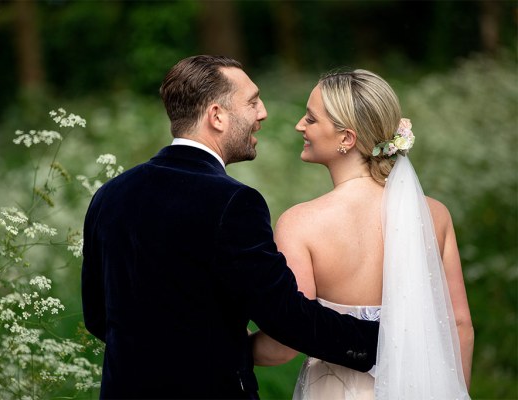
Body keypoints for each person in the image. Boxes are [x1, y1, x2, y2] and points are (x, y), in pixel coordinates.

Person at [81, 55, 380, 399]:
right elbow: (284, 317)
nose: (263, 112)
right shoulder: (232, 202)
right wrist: (382, 341)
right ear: (217, 116)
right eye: (252, 101)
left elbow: (97, 316)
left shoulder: (109, 195)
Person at [251, 69, 474, 399]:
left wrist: (230, 347)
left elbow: (286, 341)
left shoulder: (301, 223)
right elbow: (459, 326)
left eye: (311, 119)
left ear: (347, 138)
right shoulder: (434, 215)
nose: (300, 125)